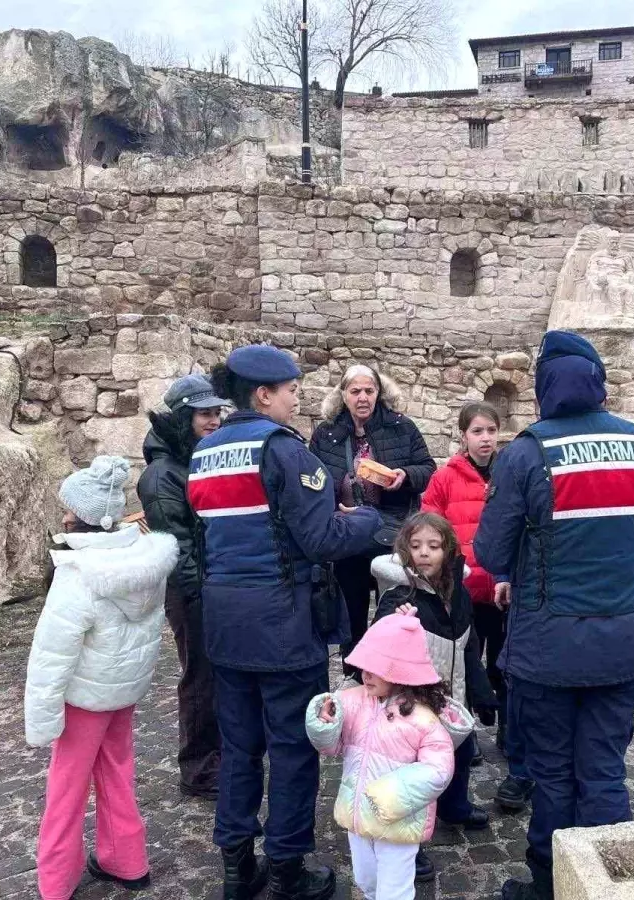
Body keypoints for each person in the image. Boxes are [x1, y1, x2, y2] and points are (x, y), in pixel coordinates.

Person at [474, 331, 634, 900]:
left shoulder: (527, 453)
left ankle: (550, 884)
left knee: (554, 771)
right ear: (598, 381)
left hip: (549, 646)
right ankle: (606, 885)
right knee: (606, 766)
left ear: (542, 387)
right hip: (628, 635)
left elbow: (489, 551)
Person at [187, 345, 383, 900]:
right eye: (291, 389)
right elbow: (320, 540)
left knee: (240, 747)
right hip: (282, 622)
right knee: (293, 748)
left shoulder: (207, 452)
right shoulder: (282, 450)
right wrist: (367, 517)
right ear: (262, 394)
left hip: (224, 620)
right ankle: (287, 870)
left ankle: (235, 866)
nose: (298, 397)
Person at [25, 456, 180, 900]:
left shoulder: (78, 577)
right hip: (122, 690)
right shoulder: (144, 567)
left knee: (65, 790)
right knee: (117, 771)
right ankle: (126, 858)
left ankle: (56, 880)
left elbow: (52, 655)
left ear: (83, 520)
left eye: (69, 512)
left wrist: (41, 720)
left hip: (83, 698)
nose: (64, 517)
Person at [305, 613, 474, 900]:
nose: (365, 674)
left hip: (398, 821)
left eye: (376, 668)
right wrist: (325, 722)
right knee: (366, 879)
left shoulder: (424, 719)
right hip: (358, 817)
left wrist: (387, 797)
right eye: (364, 666)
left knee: (394, 889)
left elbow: (439, 769)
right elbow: (331, 746)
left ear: (401, 670)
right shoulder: (353, 700)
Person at [420, 402, 534, 814]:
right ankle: (463, 736)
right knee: (463, 668)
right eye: (477, 431)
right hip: (464, 590)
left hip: (504, 589)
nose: (485, 438)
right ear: (464, 436)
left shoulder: (514, 470)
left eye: (491, 430)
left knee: (506, 665)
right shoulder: (446, 477)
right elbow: (429, 526)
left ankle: (508, 732)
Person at [373, 512, 499, 882]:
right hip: (414, 710)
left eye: (433, 546)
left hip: (453, 698)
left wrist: (481, 691)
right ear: (404, 552)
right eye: (415, 546)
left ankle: (455, 806)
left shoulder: (457, 593)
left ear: (448, 550)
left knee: (459, 756)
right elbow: (377, 652)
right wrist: (395, 623)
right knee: (416, 776)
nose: (424, 553)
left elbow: (469, 642)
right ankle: (407, 843)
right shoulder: (398, 597)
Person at [137, 373, 230, 801]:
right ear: (182, 418)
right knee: (200, 675)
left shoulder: (199, 459)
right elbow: (178, 543)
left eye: (215, 413)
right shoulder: (163, 474)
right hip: (192, 588)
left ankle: (220, 754)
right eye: (203, 414)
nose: (213, 421)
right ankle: (199, 767)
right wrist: (200, 595)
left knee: (217, 674)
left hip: (212, 582)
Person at [309, 364, 436, 675]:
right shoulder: (326, 433)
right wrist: (335, 507)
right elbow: (313, 478)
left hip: (390, 531)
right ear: (343, 395)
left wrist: (404, 476)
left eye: (369, 390)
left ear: (379, 393)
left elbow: (427, 467)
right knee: (350, 608)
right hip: (346, 533)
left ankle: (392, 671)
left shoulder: (401, 427)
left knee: (392, 606)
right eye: (355, 391)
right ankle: (354, 673)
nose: (362, 397)